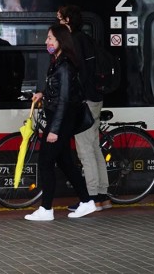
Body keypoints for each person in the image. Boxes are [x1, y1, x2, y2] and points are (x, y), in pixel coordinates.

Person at [26, 23, 96, 221]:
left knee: (45, 161)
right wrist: (42, 94)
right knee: (65, 163)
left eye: (50, 38)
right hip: (59, 117)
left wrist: (54, 130)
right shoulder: (57, 61)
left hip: (61, 120)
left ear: (60, 41)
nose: (46, 41)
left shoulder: (64, 66)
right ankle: (86, 201)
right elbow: (57, 91)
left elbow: (64, 100)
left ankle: (46, 209)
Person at [58, 5, 111, 212]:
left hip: (86, 101)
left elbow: (78, 74)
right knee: (94, 146)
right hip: (95, 98)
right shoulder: (86, 39)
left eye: (59, 19)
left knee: (84, 149)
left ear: (67, 21)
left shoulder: (75, 41)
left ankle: (91, 199)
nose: (57, 23)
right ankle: (103, 196)